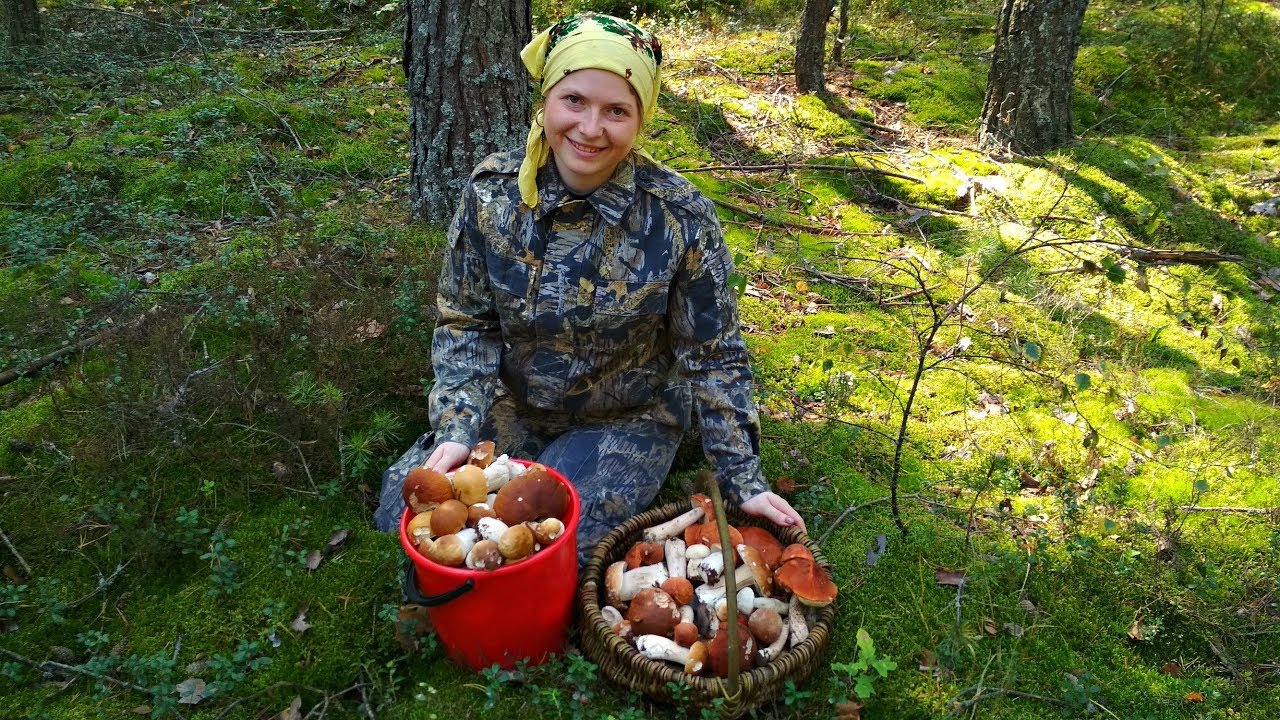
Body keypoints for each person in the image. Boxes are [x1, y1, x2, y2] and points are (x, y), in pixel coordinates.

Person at [375, 12, 805, 565]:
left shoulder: (678, 217)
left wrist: (744, 481)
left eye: (616, 111)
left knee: (552, 544)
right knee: (406, 514)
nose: (590, 128)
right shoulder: (493, 196)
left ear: (640, 120)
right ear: (547, 99)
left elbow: (714, 354)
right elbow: (467, 323)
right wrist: (458, 429)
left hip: (628, 416)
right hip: (516, 407)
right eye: (574, 100)